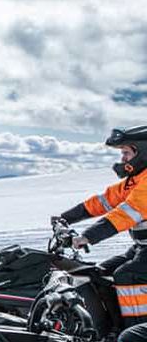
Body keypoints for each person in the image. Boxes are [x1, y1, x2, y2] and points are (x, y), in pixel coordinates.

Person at [56, 126, 147, 327]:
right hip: (142, 247)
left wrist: (87, 236)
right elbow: (104, 201)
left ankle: (137, 334)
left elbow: (126, 213)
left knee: (128, 275)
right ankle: (112, 327)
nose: (123, 159)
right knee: (98, 273)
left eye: (126, 153)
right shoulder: (135, 181)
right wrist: (65, 218)